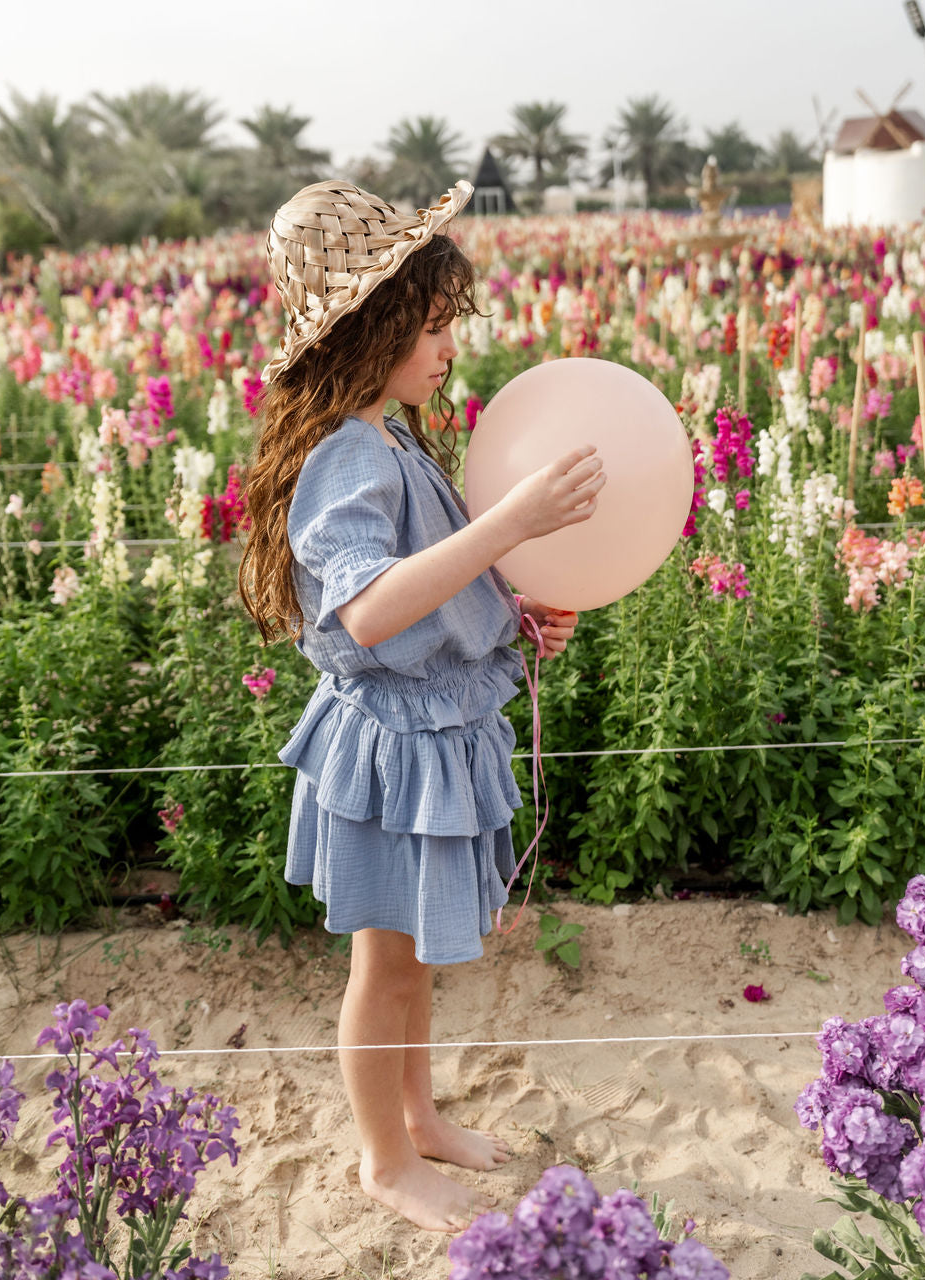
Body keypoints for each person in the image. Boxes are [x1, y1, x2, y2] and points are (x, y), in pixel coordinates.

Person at [239, 179, 605, 1232]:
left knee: (412, 959)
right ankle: (384, 1161)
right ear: (374, 327)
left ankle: (417, 1114)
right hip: (390, 748)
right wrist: (509, 524)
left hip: (428, 732)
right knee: (382, 963)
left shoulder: (390, 436)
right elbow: (365, 608)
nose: (450, 346)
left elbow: (430, 594)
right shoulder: (348, 455)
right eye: (433, 326)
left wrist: (510, 613)